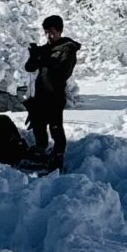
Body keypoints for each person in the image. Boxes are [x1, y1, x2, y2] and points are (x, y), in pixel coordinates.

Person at [23, 14, 80, 168]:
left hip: (55, 94)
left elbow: (63, 72)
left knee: (55, 127)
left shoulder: (67, 48)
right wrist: (34, 56)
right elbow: (29, 68)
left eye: (52, 31)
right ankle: (41, 151)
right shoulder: (46, 49)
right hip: (41, 94)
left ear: (60, 31)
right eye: (46, 32)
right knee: (39, 125)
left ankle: (58, 155)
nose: (49, 35)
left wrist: (45, 60)